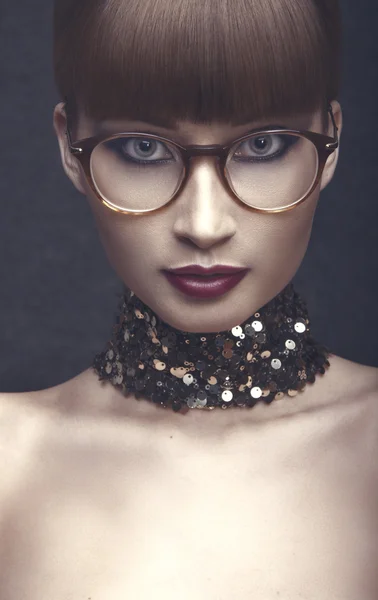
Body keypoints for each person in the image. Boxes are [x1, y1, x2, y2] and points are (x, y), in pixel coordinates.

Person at [0, 0, 377, 598]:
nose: (204, 224)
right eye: (144, 149)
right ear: (70, 147)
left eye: (264, 145)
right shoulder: (7, 462)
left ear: (331, 140)